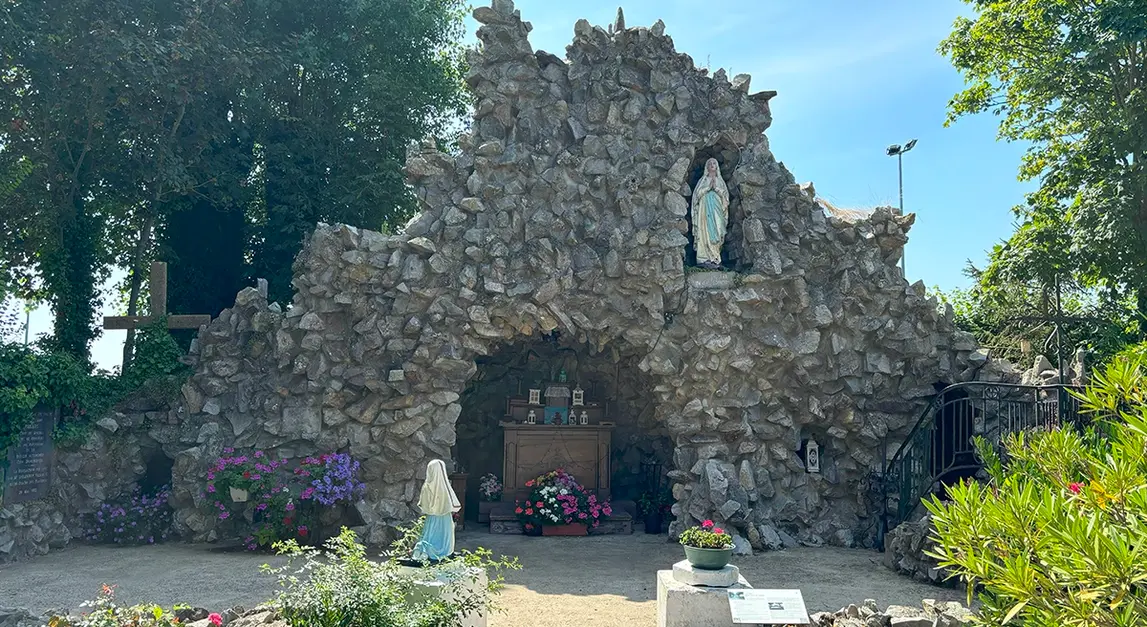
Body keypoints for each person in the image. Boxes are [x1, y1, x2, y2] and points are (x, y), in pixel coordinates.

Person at [412, 459, 461, 562]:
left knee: (430, 534)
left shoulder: (426, 486)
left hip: (432, 517)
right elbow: (451, 502)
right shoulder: (444, 486)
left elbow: (423, 505)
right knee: (442, 537)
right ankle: (435, 551)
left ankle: (423, 550)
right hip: (444, 518)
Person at [690, 158, 730, 269]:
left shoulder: (720, 181)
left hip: (717, 208)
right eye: (710, 163)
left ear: (717, 166)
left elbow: (726, 198)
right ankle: (704, 258)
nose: (712, 165)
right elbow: (697, 195)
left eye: (714, 163)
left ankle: (716, 257)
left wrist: (716, 189)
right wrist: (708, 188)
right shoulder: (703, 180)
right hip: (704, 209)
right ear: (706, 167)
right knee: (705, 231)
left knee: (717, 229)